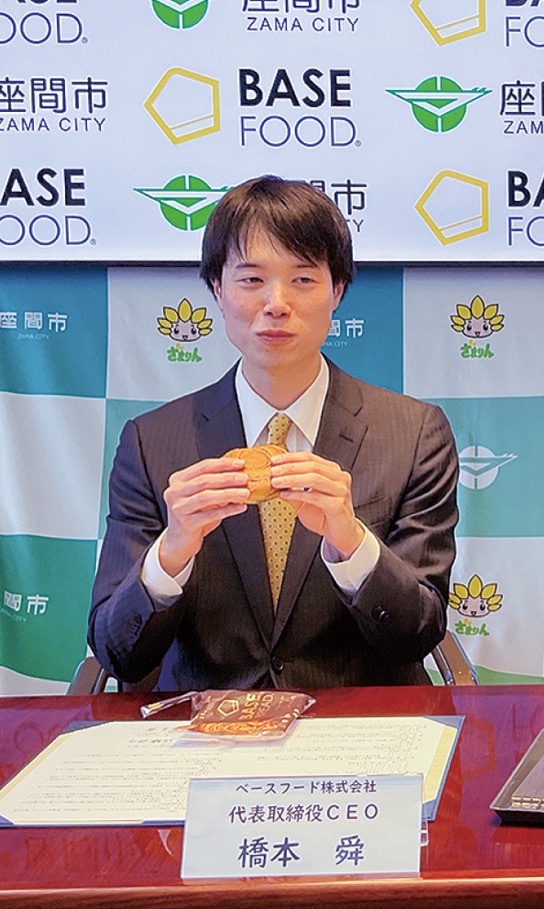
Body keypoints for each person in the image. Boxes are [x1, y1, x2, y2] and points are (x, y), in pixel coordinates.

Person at [89, 175, 459, 690]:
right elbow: (117, 655)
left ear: (337, 291)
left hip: (358, 726)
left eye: (303, 279)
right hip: (205, 726)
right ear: (217, 290)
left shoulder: (414, 434)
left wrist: (351, 543)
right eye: (251, 280)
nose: (277, 303)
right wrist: (171, 552)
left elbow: (417, 634)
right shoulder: (152, 444)